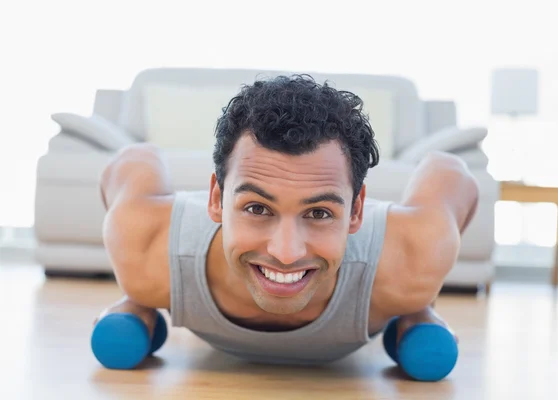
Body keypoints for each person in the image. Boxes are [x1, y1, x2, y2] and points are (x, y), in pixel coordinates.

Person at [96, 74, 479, 366]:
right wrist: (144, 295)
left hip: (385, 274)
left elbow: (449, 171)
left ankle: (417, 314)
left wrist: (418, 302)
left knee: (414, 296)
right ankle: (138, 305)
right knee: (143, 285)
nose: (285, 251)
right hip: (172, 257)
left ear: (356, 212)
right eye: (257, 209)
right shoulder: (148, 248)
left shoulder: (409, 259)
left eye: (319, 213)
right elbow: (133, 161)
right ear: (215, 199)